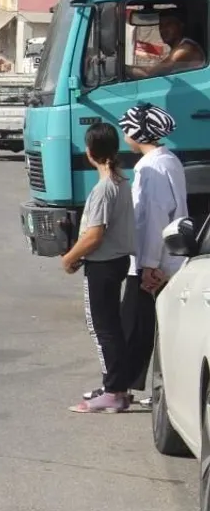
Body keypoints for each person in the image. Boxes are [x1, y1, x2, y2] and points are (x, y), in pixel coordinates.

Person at [62, 122, 136, 413]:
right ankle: (115, 386)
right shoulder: (120, 182)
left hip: (103, 264)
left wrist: (69, 257)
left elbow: (94, 235)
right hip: (115, 261)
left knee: (102, 329)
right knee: (111, 328)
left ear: (90, 151)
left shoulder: (104, 189)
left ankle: (113, 391)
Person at [121, 103, 185, 407]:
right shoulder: (166, 160)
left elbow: (155, 218)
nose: (124, 133)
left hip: (153, 264)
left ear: (137, 131)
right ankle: (132, 386)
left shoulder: (152, 167)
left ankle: (121, 388)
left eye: (126, 127)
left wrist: (147, 265)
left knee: (136, 327)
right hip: (161, 259)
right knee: (150, 327)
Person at [128, 9, 205, 79]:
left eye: (168, 24)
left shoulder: (186, 48)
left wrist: (122, 69)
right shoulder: (177, 47)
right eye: (161, 26)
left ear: (180, 25)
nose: (163, 30)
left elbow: (149, 73)